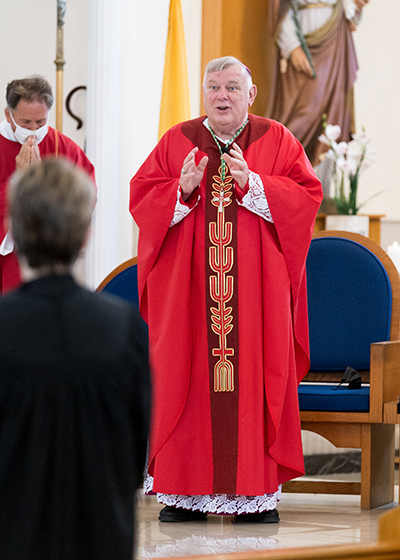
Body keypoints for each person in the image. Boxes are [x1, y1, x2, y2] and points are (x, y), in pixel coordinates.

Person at [130, 56, 322, 523]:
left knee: (257, 377)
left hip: (257, 300)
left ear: (250, 94)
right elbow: (142, 196)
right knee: (184, 372)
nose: (222, 95)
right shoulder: (177, 141)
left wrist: (256, 185)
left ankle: (253, 496)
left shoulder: (277, 139)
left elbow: (306, 197)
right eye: (214, 86)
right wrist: (181, 191)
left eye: (233, 86)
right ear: (204, 93)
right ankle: (183, 494)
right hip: (190, 298)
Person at [0, 158, 150, 560]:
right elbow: (137, 450)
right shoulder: (124, 327)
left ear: (13, 229)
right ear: (86, 234)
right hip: (103, 536)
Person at [0, 74, 95, 294]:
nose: (33, 129)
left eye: (40, 122)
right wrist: (18, 180)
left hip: (49, 252)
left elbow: (86, 193)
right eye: (25, 122)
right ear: (9, 114)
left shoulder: (63, 146)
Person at [267, 0, 369, 169]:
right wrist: (292, 46)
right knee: (306, 109)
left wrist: (356, 6)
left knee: (333, 112)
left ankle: (319, 181)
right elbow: (281, 7)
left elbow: (350, 11)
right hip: (304, 43)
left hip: (335, 38)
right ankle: (282, 170)